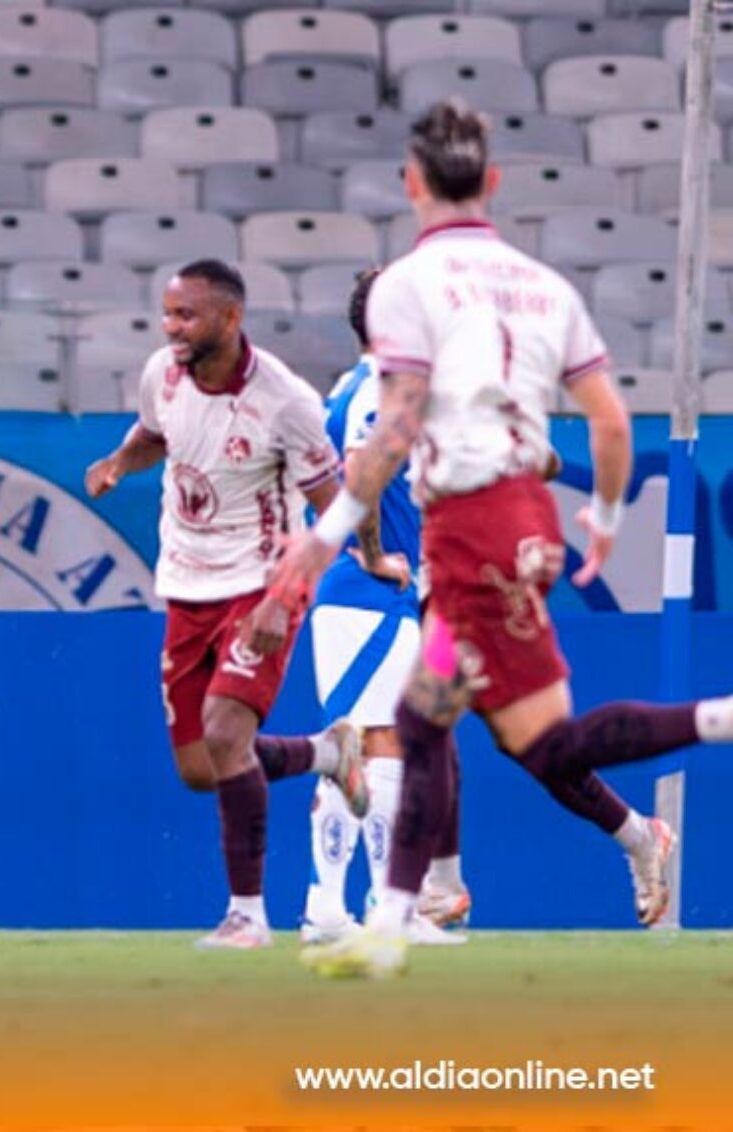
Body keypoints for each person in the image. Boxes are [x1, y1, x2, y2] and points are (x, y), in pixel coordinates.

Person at [275, 98, 730, 978]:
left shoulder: (410, 288)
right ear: (493, 182)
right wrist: (600, 517)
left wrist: (326, 535)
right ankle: (418, 910)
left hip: (469, 529)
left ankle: (402, 919)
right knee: (453, 724)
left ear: (412, 186)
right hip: (515, 522)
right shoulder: (541, 285)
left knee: (494, 733)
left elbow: (394, 428)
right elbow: (605, 423)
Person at [84, 259, 369, 951]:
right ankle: (326, 754)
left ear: (232, 318)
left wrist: (287, 594)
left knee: (222, 730)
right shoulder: (163, 372)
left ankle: (248, 916)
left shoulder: (286, 400)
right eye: (169, 314)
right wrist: (120, 462)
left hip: (260, 584)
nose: (172, 328)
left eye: (187, 316)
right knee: (200, 768)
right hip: (186, 586)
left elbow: (336, 508)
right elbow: (155, 432)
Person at [300, 269, 468, 946]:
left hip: (363, 598)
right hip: (368, 591)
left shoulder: (348, 386)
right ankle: (379, 912)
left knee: (356, 749)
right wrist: (371, 553)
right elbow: (361, 475)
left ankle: (332, 911)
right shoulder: (379, 393)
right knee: (379, 747)